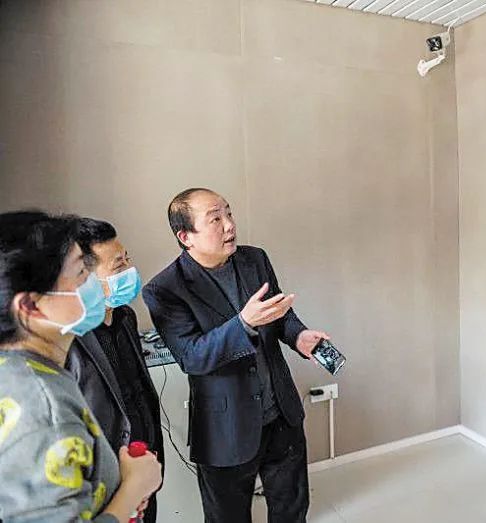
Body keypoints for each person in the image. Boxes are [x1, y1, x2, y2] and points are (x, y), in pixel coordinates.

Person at [143, 188, 329, 523]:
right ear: (186, 236)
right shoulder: (165, 289)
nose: (229, 225)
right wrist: (243, 323)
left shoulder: (254, 259)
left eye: (228, 213)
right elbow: (192, 357)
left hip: (281, 413)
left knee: (292, 509)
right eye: (215, 219)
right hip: (224, 428)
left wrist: (298, 335)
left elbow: (279, 314)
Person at [0, 211, 161, 522]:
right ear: (31, 306)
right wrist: (132, 489)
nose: (93, 284)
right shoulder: (44, 409)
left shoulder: (27, 370)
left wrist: (116, 496)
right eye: (82, 273)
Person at [66, 218, 165, 522]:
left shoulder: (125, 317)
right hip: (105, 474)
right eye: (118, 265)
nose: (130, 270)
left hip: (144, 456)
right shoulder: (71, 339)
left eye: (127, 260)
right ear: (84, 277)